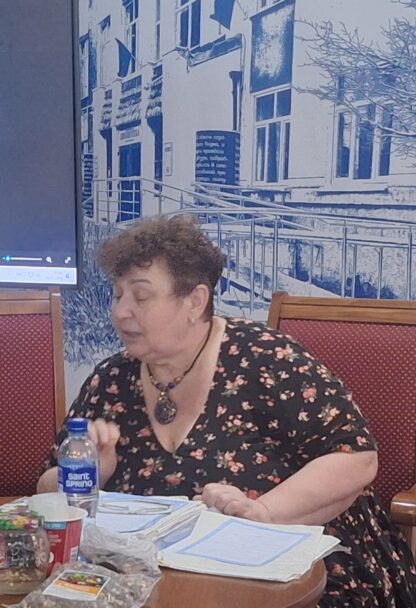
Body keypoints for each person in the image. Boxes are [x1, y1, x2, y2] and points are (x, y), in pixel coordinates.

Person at [38, 215, 416, 606]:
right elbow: (45, 488)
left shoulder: (267, 359)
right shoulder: (111, 379)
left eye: (141, 296)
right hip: (156, 581)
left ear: (194, 301)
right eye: (117, 295)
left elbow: (356, 459)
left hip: (294, 574)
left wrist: (262, 512)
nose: (120, 312)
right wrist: (90, 473)